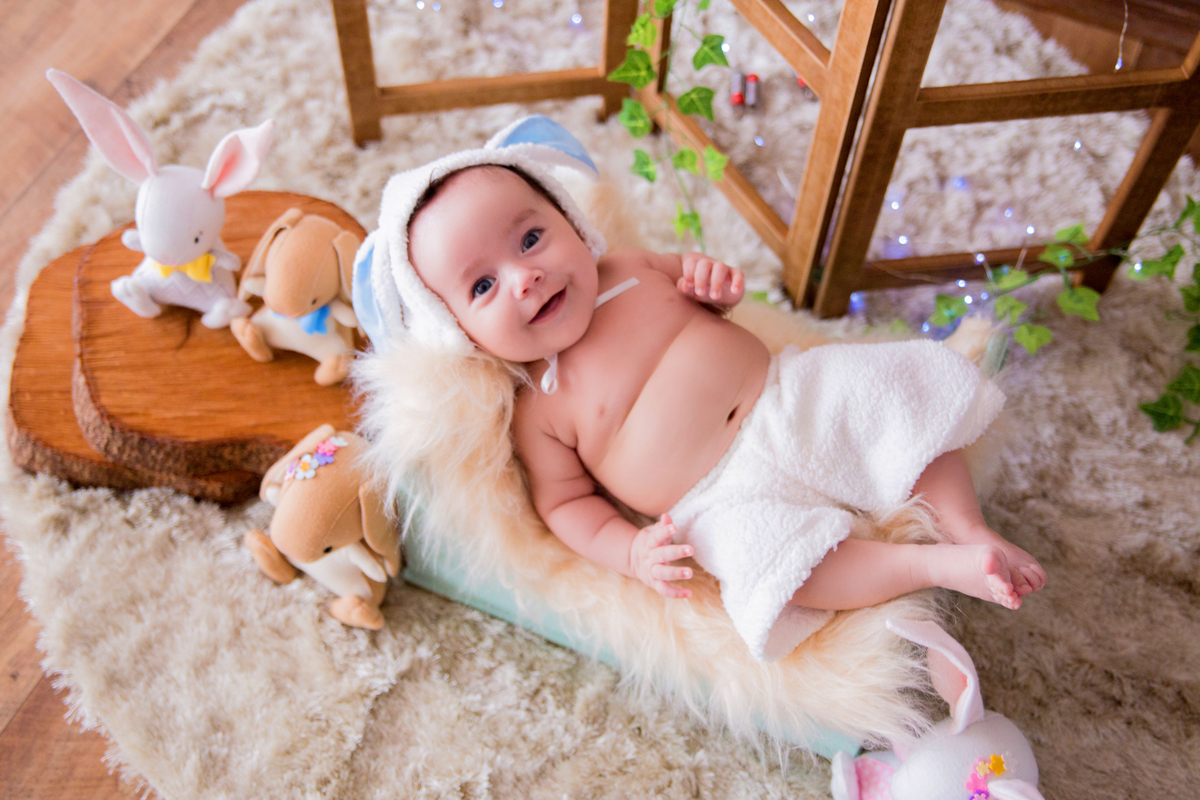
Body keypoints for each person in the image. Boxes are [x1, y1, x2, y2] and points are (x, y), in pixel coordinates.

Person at [353, 116, 1046, 662]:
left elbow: (702, 283)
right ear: (461, 335)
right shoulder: (538, 407)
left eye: (531, 238)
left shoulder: (628, 268)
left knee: (901, 391)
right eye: (482, 286)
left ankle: (968, 528)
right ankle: (927, 565)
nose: (523, 276)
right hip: (720, 497)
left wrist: (712, 286)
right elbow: (565, 505)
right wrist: (630, 552)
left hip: (789, 393)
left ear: (573, 224)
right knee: (776, 573)